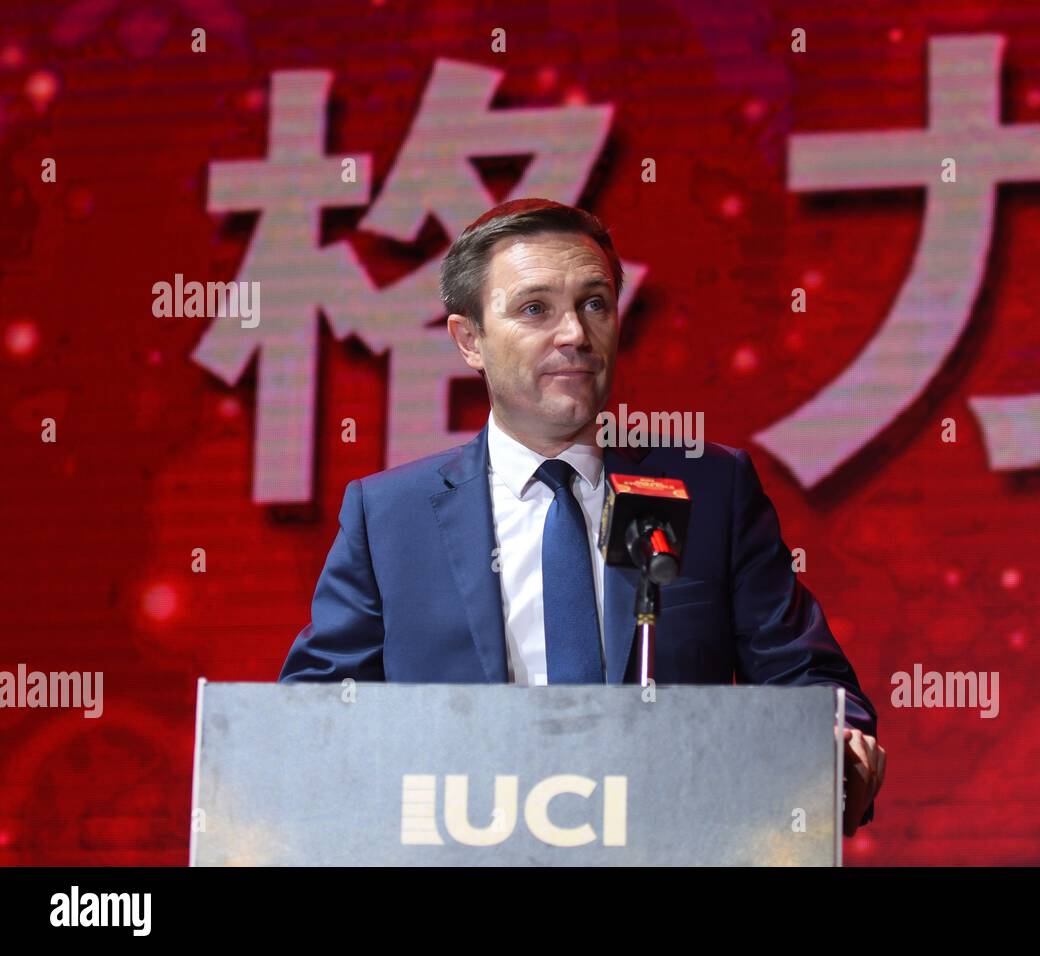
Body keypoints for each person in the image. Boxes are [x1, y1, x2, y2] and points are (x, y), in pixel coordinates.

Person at [278, 197, 886, 834]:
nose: (575, 333)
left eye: (594, 304)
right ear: (469, 340)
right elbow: (316, 715)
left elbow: (807, 678)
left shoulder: (707, 489)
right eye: (536, 309)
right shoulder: (391, 518)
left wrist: (835, 746)